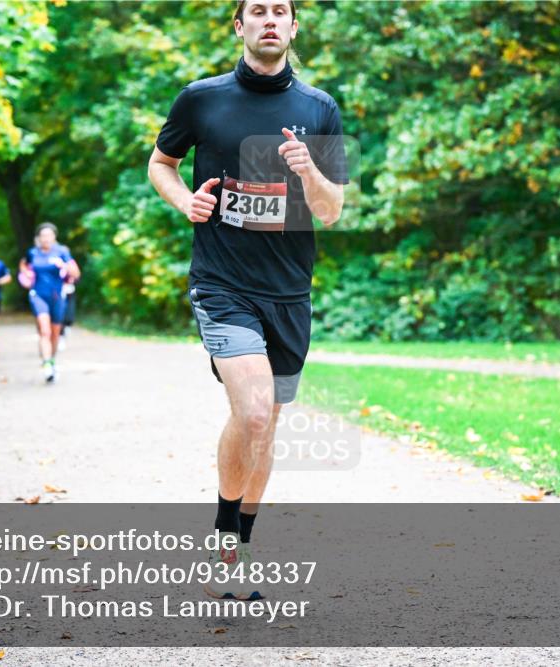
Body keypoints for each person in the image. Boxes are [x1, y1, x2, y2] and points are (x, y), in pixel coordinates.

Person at [148, 0, 347, 600]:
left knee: (266, 424)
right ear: (239, 26)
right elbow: (162, 164)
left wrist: (308, 169)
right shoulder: (201, 99)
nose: (268, 19)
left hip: (289, 292)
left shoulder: (319, 109)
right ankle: (222, 540)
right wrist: (186, 202)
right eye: (256, 10)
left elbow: (331, 211)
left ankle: (243, 545)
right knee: (255, 411)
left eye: (278, 11)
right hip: (221, 283)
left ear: (292, 27)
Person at [19, 223, 80, 383]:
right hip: (38, 295)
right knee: (44, 331)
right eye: (43, 235)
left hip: (57, 296)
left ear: (54, 237)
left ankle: (51, 361)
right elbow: (23, 264)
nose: (46, 238)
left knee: (54, 334)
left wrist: (64, 266)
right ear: (39, 238)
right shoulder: (33, 253)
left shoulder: (62, 252)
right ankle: (46, 364)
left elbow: (76, 273)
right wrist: (26, 275)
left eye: (49, 235)